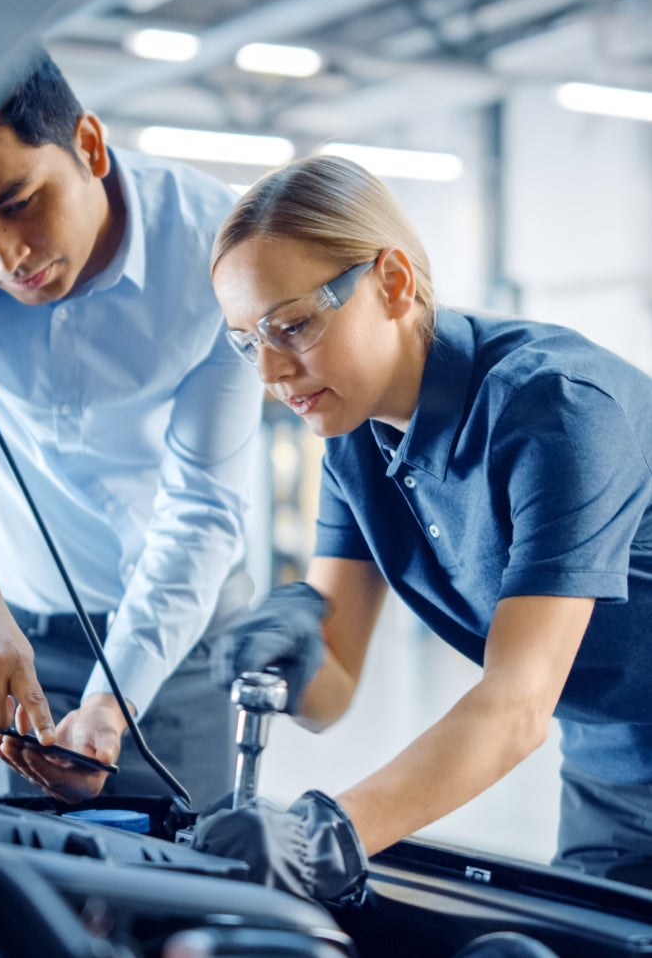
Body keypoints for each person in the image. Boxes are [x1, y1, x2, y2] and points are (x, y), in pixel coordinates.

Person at [195, 153, 652, 901]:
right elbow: (335, 685)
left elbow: (515, 704)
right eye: (248, 341)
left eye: (293, 326)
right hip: (610, 770)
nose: (270, 374)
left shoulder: (558, 410)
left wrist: (327, 836)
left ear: (393, 282)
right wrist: (293, 657)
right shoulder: (353, 443)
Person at [0, 49, 262, 809]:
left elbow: (201, 511)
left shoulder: (220, 249)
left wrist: (109, 700)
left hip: (182, 638)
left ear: (89, 147)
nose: (1, 257)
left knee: (185, 892)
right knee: (10, 886)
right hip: (3, 637)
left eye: (19, 201)